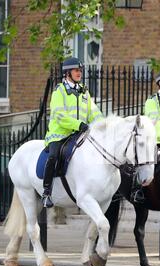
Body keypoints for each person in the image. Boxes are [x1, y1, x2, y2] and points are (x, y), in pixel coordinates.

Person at [41, 57, 104, 208]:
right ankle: (46, 192)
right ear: (67, 73)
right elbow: (59, 115)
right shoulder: (59, 91)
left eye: (80, 71)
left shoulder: (84, 92)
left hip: (79, 133)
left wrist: (103, 124)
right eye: (76, 70)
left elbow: (93, 112)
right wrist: (78, 124)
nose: (79, 73)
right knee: (54, 156)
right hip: (60, 134)